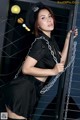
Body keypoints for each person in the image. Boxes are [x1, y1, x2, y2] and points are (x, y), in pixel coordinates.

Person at [4, 5, 78, 120]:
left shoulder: (50, 42)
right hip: (22, 90)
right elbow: (26, 69)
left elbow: (61, 61)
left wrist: (68, 38)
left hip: (32, 91)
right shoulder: (40, 43)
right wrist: (52, 71)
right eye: (43, 18)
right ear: (37, 25)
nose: (49, 20)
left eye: (50, 16)